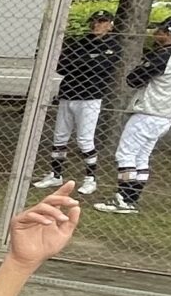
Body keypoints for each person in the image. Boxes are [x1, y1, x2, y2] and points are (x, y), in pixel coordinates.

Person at [94, 17, 171, 215]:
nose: (156, 32)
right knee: (141, 157)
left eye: (160, 29)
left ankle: (123, 198)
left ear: (168, 33)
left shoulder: (165, 56)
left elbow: (134, 79)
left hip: (149, 111)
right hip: (165, 114)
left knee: (125, 154)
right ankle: (132, 198)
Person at [37, 11, 118, 194]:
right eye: (95, 21)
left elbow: (101, 67)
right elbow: (62, 66)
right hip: (69, 93)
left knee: (84, 139)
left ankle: (91, 178)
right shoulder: (81, 42)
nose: (96, 25)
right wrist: (86, 62)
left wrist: (81, 63)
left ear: (110, 25)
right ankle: (56, 174)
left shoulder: (112, 45)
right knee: (60, 136)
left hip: (90, 97)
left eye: (102, 22)